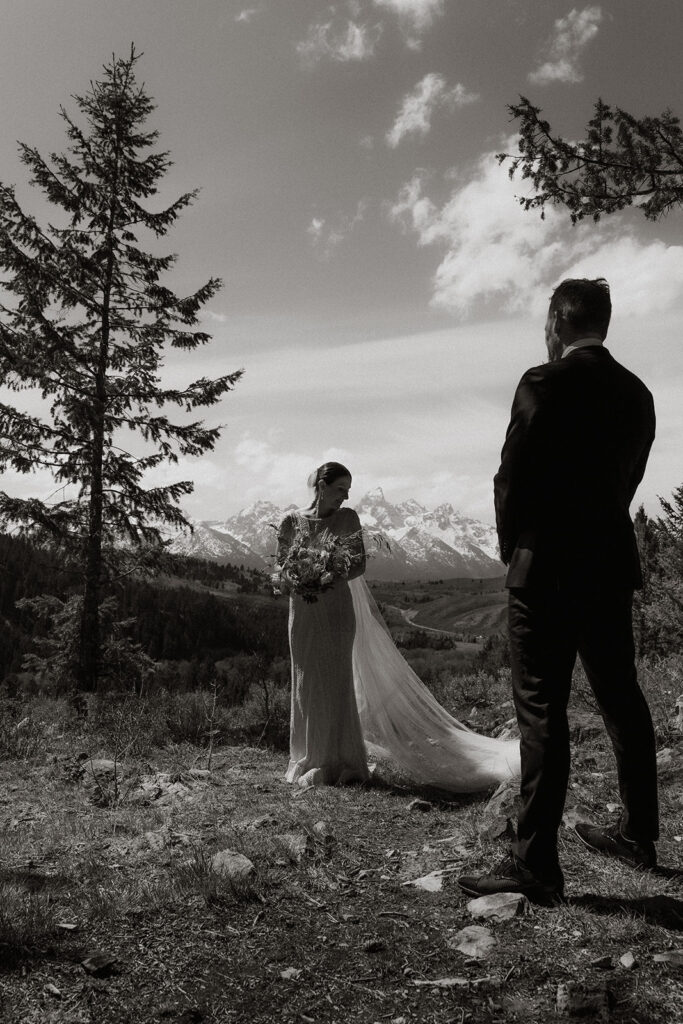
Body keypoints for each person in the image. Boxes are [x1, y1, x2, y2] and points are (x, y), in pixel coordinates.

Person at [458, 278, 658, 907]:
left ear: (556, 322)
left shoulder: (542, 383)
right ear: (603, 322)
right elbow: (628, 480)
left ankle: (536, 865)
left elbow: (511, 476)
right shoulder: (638, 394)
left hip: (544, 569)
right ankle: (639, 835)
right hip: (608, 566)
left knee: (543, 712)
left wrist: (513, 545)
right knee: (622, 699)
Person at [276, 461, 520, 792]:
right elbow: (279, 573)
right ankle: (307, 756)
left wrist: (326, 574)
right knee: (305, 684)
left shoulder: (348, 519)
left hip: (335, 613)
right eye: (339, 490)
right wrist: (296, 578)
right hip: (303, 614)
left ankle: (338, 759)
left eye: (348, 492)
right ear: (321, 485)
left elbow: (358, 566)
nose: (344, 498)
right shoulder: (291, 522)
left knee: (335, 683)